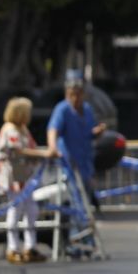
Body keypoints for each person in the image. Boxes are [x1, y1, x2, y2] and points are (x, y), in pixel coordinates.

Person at [0, 97, 50, 264]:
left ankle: (30, 246)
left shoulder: (23, 129)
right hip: (13, 177)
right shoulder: (10, 129)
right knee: (15, 210)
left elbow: (30, 147)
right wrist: (42, 154)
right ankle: (12, 247)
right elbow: (18, 151)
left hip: (25, 176)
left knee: (31, 210)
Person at [46, 73, 106, 206]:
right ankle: (76, 225)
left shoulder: (87, 109)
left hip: (85, 163)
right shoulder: (62, 109)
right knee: (74, 200)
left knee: (85, 199)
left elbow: (89, 132)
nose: (74, 98)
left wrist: (98, 131)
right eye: (71, 94)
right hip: (69, 164)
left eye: (77, 94)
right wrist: (52, 147)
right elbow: (53, 129)